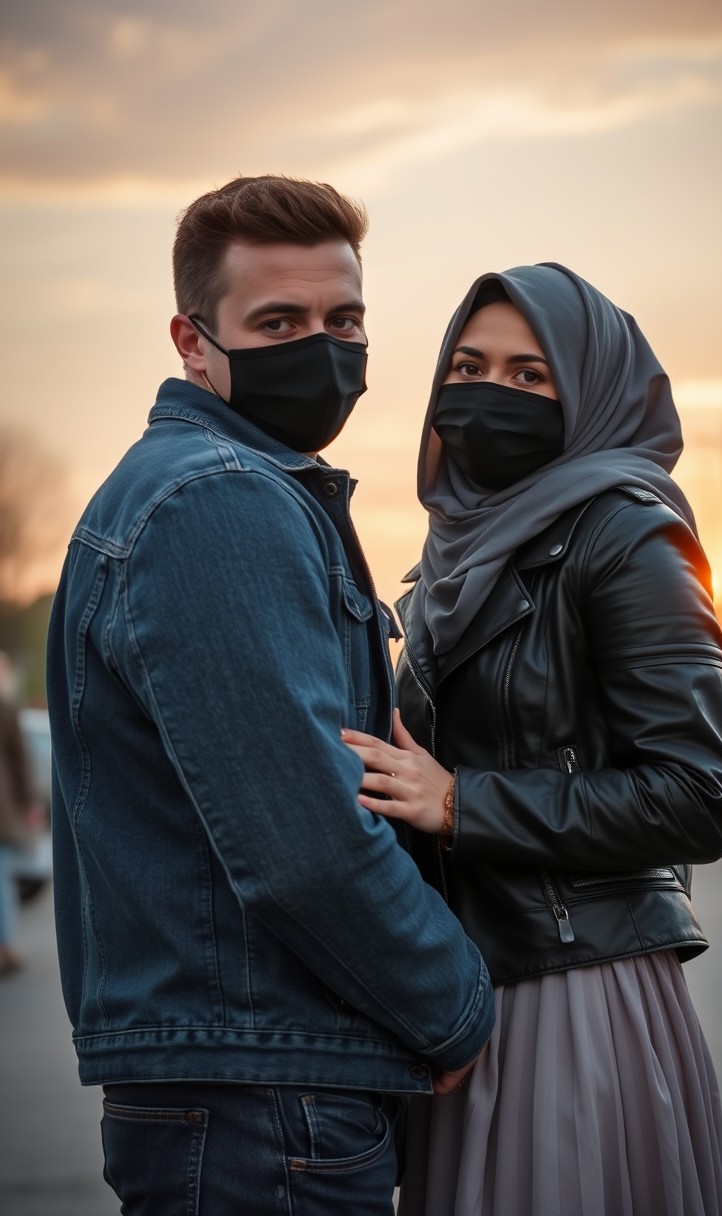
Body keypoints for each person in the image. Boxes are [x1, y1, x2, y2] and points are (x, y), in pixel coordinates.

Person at [46, 175, 493, 1215]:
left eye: (345, 319)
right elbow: (302, 839)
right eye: (278, 321)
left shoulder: (216, 486)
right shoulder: (219, 501)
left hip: (246, 1078)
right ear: (192, 339)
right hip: (269, 1091)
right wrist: (453, 1004)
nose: (323, 347)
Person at [343, 264, 722, 1216]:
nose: (490, 394)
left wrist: (461, 802)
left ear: (590, 393)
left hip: (574, 992)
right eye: (470, 368)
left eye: (531, 376)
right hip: (468, 995)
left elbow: (699, 796)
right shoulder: (450, 565)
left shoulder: (628, 538)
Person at [0, 652, 37, 976]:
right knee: (2, 882)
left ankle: (7, 946)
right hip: (3, 808)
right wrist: (30, 805)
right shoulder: (7, 708)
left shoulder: (7, 710)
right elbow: (20, 762)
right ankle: (7, 947)